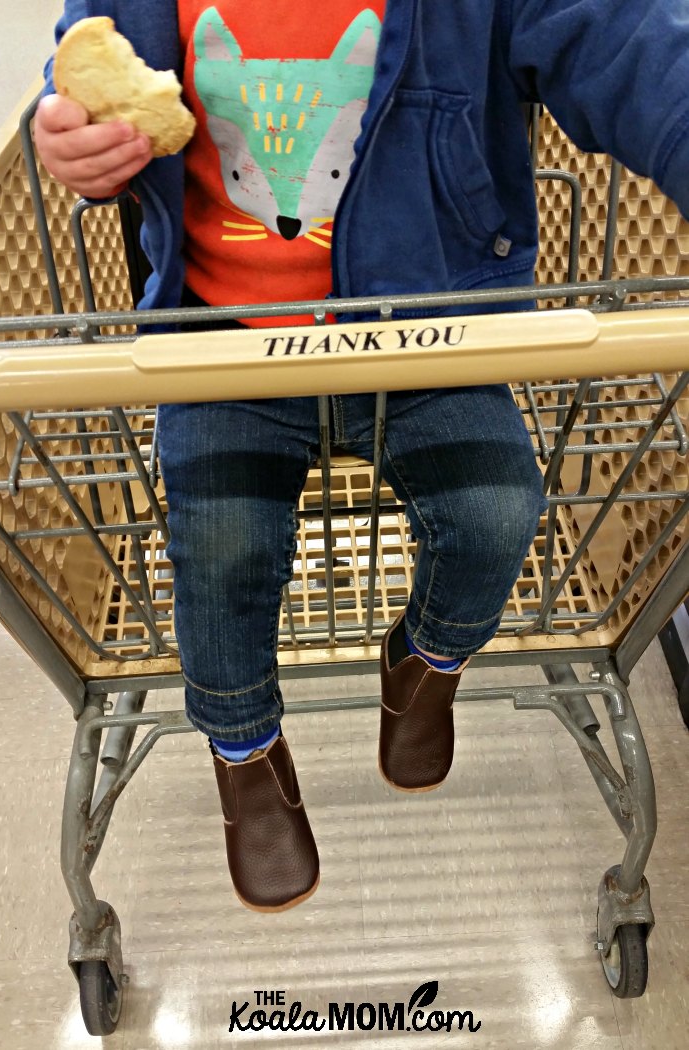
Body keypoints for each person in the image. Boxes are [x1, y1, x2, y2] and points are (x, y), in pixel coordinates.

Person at [36, 0, 689, 913]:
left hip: (430, 329)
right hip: (221, 340)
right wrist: (75, 142)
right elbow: (90, 75)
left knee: (499, 510)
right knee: (219, 552)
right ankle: (243, 747)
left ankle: (423, 662)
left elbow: (624, 40)